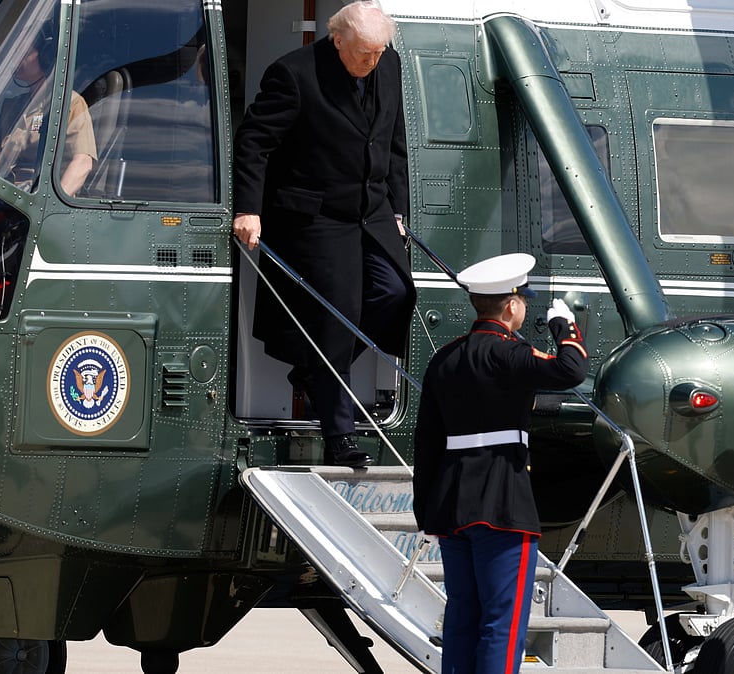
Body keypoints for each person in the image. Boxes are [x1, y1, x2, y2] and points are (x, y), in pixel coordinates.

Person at [232, 0, 413, 468]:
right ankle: (341, 437)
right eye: (362, 53)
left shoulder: (387, 63)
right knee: (337, 317)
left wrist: (398, 209)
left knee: (396, 293)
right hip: (317, 217)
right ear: (337, 40)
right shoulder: (293, 76)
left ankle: (317, 370)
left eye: (377, 52)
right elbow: (254, 143)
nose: (370, 62)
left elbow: (394, 143)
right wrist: (249, 209)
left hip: (372, 211)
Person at [412, 253, 587, 674]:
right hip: (504, 505)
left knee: (461, 621)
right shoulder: (510, 354)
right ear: (511, 305)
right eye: (523, 299)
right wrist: (564, 327)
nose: (524, 306)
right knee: (502, 624)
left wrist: (426, 509)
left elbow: (427, 444)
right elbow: (572, 368)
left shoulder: (445, 359)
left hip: (452, 507)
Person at [0, 35, 96, 196]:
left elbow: (83, 163)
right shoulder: (12, 106)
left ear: (45, 57)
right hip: (3, 192)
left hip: (34, 201)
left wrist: (49, 204)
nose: (16, 59)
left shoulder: (70, 104)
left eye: (23, 53)